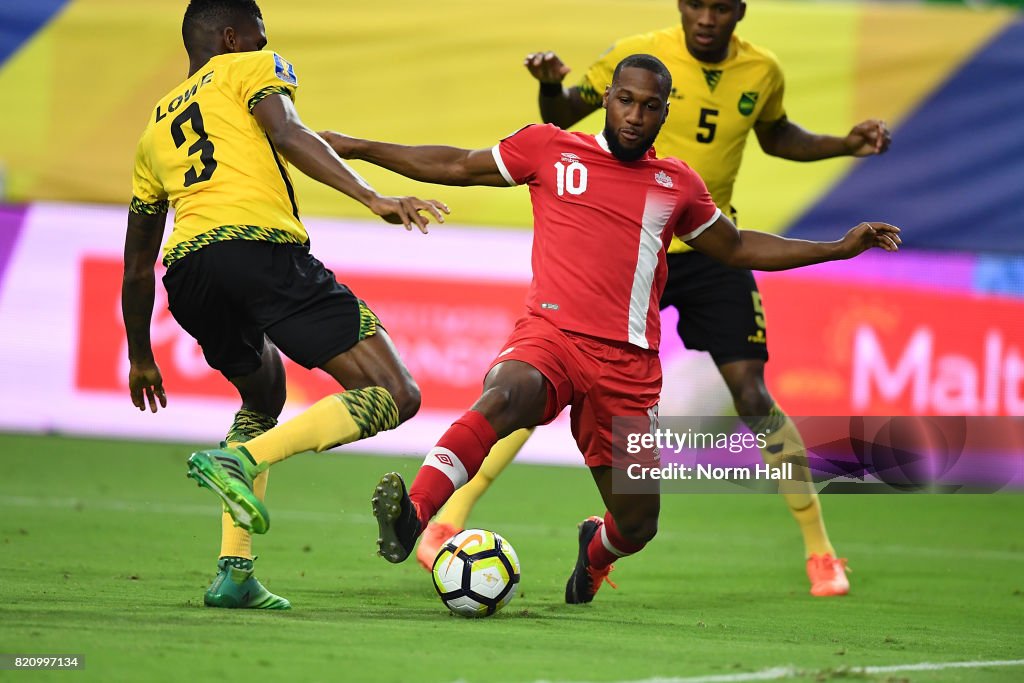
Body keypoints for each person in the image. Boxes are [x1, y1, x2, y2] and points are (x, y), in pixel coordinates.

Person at [320, 53, 900, 604]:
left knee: (638, 524)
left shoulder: (677, 185)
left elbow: (738, 245)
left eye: (650, 106)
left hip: (628, 368)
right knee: (506, 396)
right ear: (607, 99)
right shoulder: (550, 149)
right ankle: (415, 516)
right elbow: (455, 163)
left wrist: (835, 248)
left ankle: (595, 553)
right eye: (625, 100)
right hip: (552, 337)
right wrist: (358, 147)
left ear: (664, 112)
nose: (635, 115)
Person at [121, 0, 447, 611]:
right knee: (397, 393)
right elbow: (288, 132)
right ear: (229, 37)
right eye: (259, 35)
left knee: (263, 395)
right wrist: (371, 197)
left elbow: (138, 264)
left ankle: (235, 569)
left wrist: (140, 355)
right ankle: (241, 460)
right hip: (259, 251)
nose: (267, 44)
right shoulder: (250, 67)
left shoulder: (152, 133)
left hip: (188, 274)